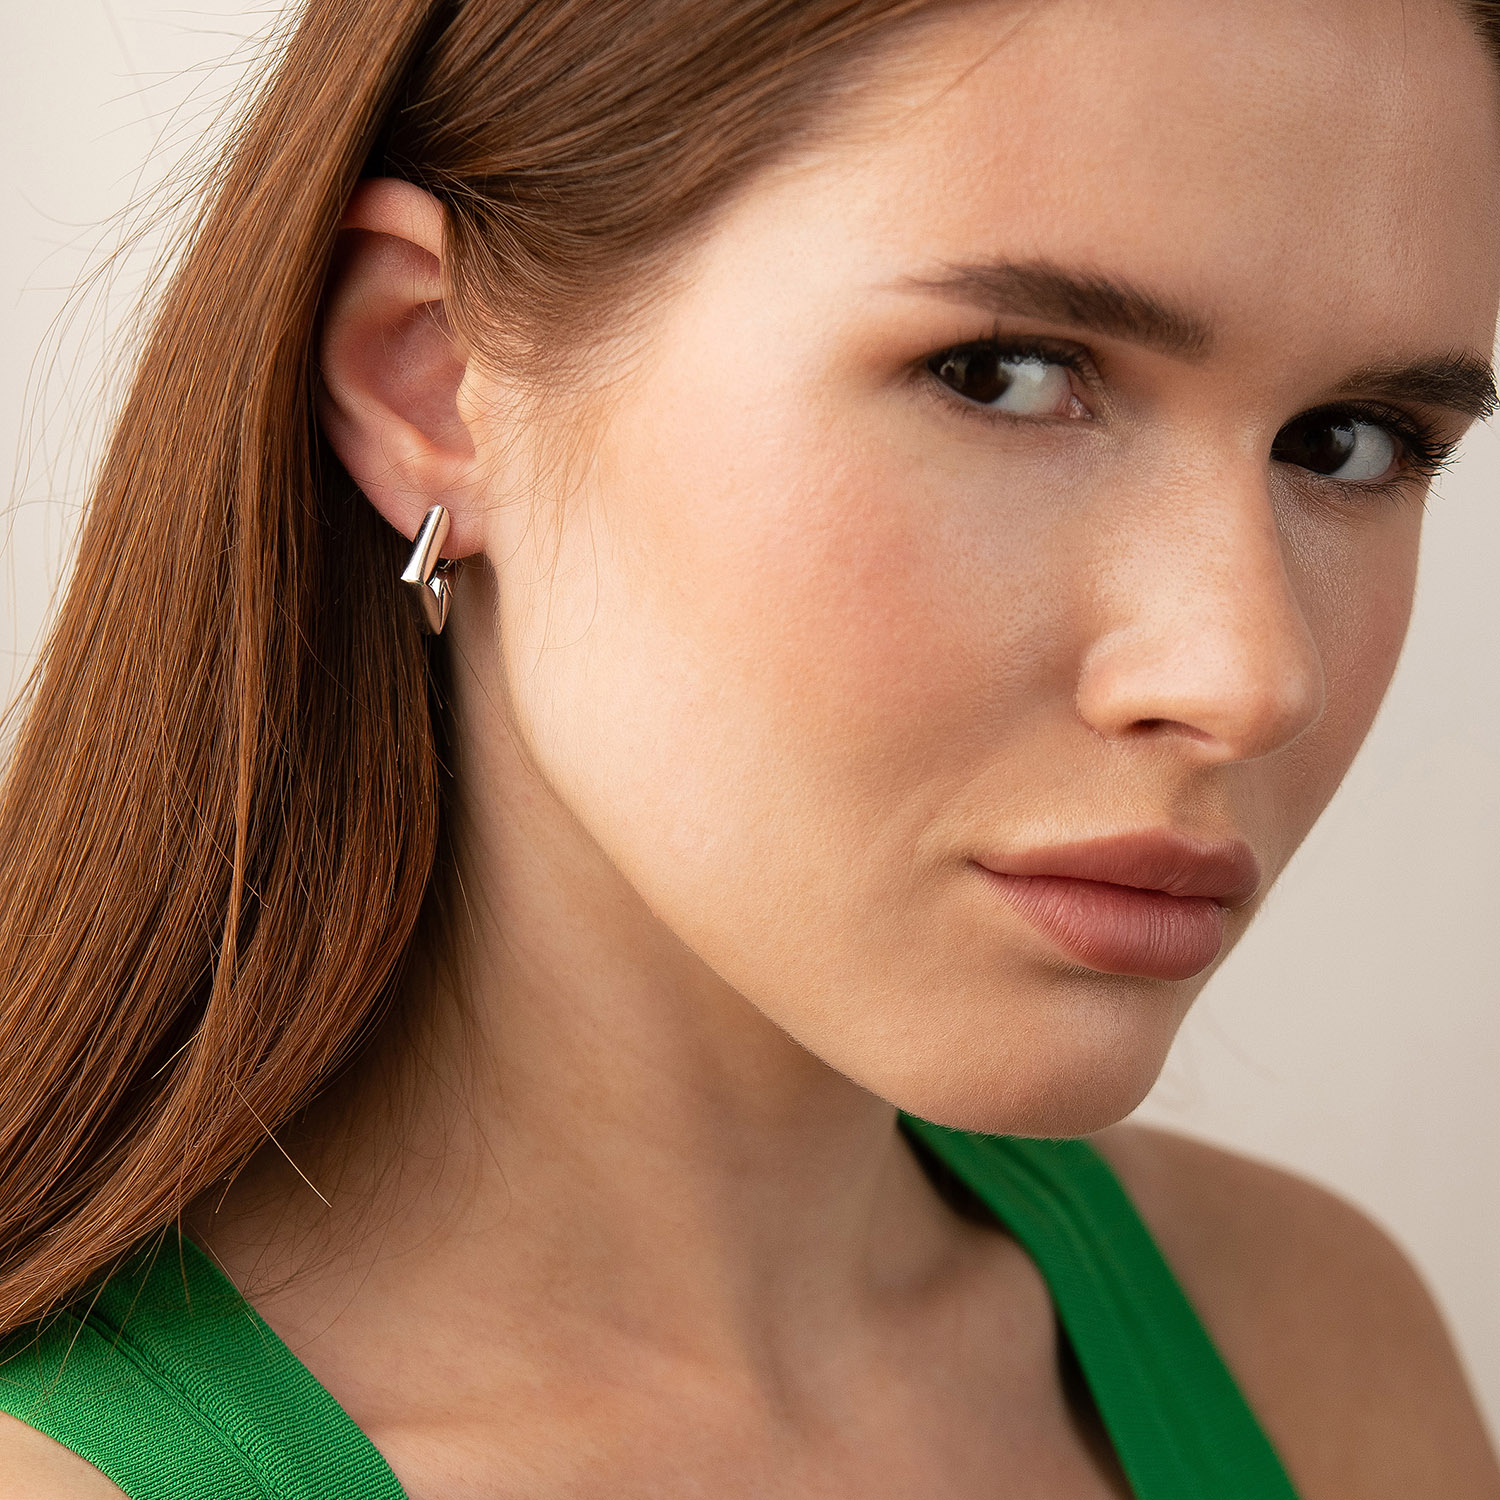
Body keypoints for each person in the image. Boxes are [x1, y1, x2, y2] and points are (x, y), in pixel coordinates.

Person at [2, 0, 1499, 1494]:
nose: (1251, 677)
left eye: (1351, 439)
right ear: (434, 377)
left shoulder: (1314, 1355)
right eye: (1005, 375)